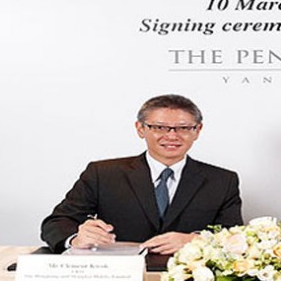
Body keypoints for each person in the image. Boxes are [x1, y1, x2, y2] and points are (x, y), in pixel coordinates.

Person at [41, 94, 243, 254]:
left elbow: (235, 235)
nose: (171, 136)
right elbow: (56, 223)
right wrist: (76, 238)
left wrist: (196, 240)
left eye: (183, 128)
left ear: (197, 130)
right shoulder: (102, 174)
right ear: (140, 129)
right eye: (159, 127)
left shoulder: (223, 180)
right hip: (118, 274)